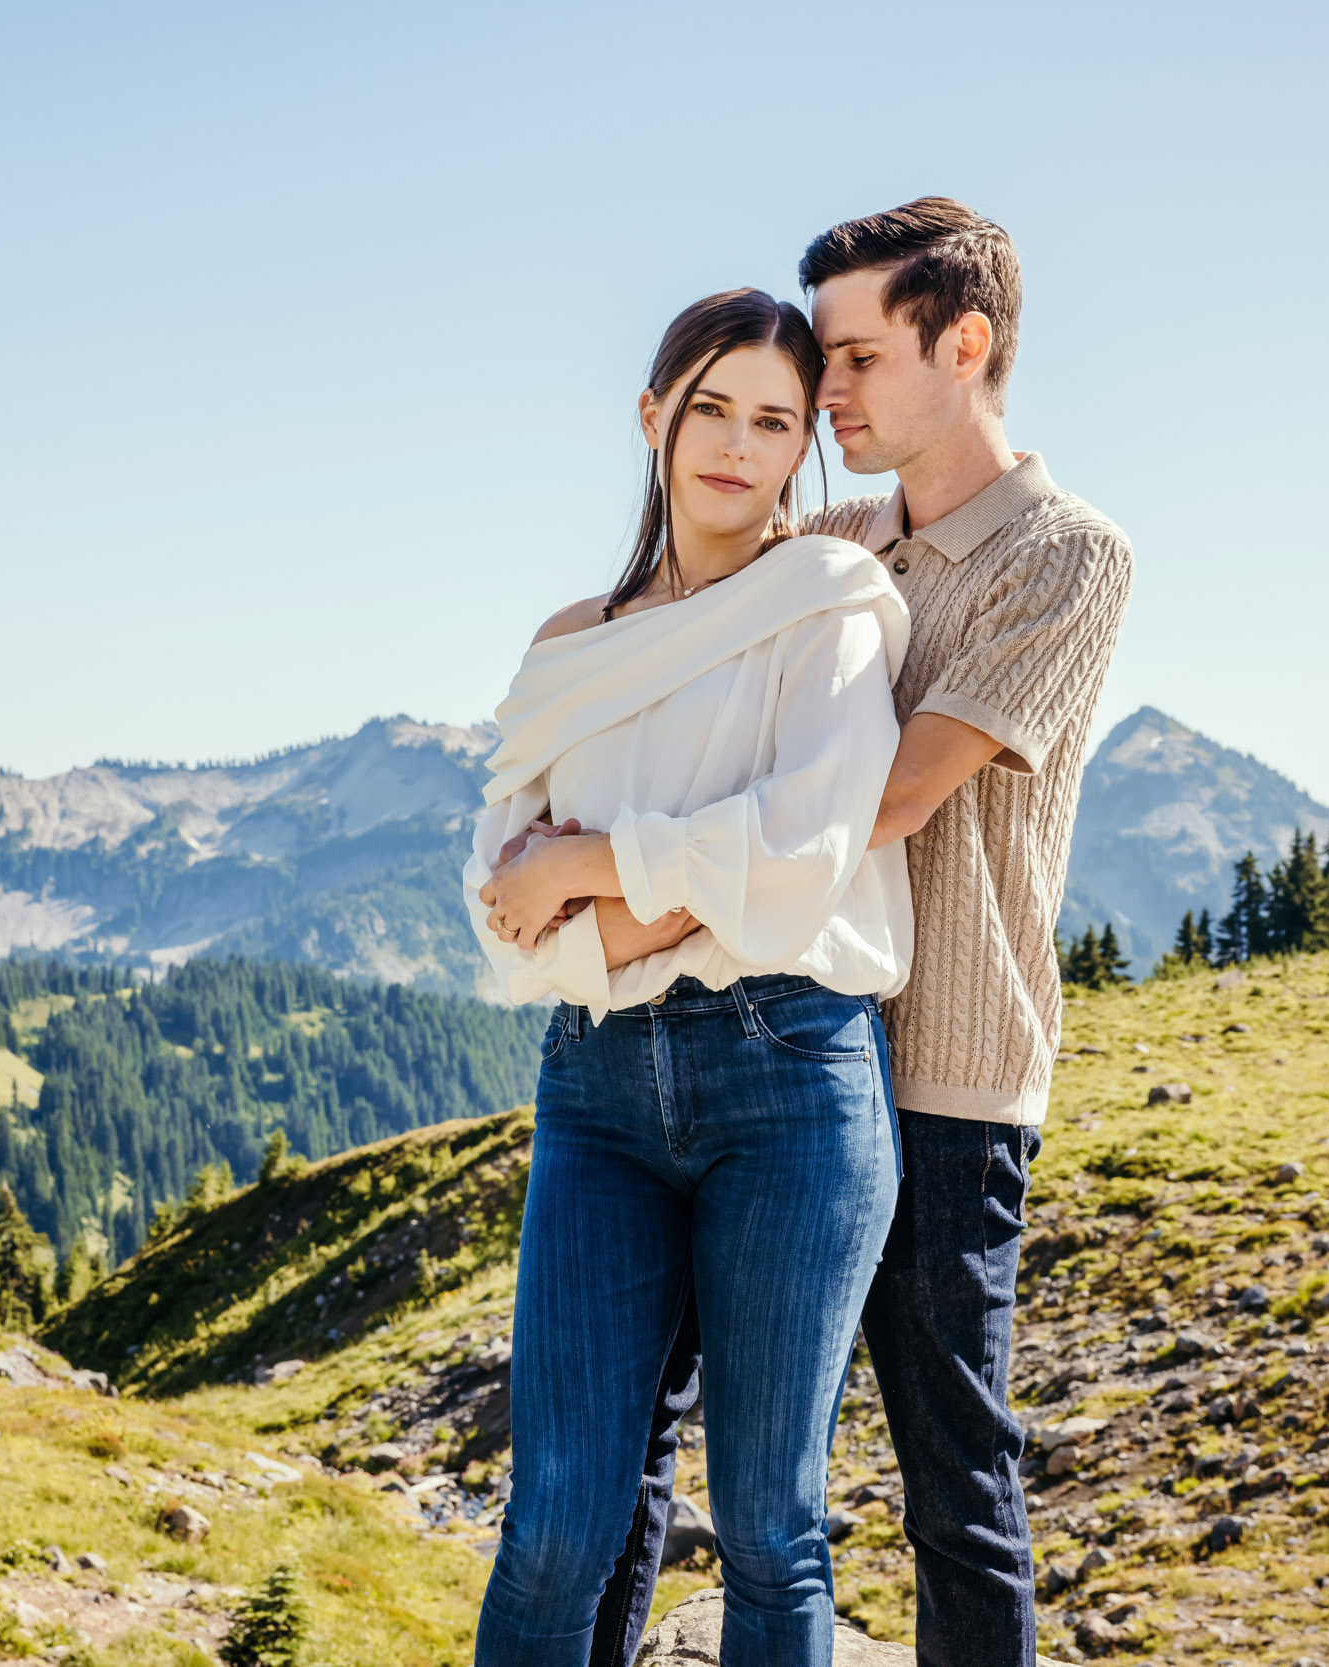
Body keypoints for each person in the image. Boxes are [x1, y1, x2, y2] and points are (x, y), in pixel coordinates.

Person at [591, 199, 1135, 1667]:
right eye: (817, 367)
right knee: (644, 1448)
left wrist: (622, 892)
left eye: (851, 360)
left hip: (943, 1072)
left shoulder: (1068, 557)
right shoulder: (829, 538)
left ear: (966, 345)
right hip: (772, 1046)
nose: (822, 400)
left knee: (953, 1474)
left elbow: (884, 799)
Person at [464, 286, 916, 1665]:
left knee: (771, 1527)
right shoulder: (568, 644)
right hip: (594, 1092)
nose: (735, 444)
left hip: (788, 1077)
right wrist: (648, 897)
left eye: (774, 421)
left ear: (802, 452)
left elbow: (802, 858)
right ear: (654, 416)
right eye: (710, 407)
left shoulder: (831, 606)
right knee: (553, 1521)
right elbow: (497, 905)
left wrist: (592, 870)